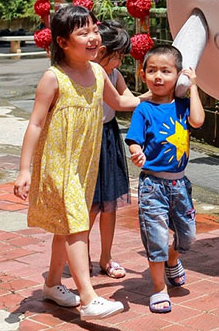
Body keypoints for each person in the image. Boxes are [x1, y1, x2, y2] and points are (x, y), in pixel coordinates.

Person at [13, 5, 140, 321]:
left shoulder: (98, 72)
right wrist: (24, 169)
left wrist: (159, 93)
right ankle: (88, 297)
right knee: (77, 225)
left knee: (66, 225)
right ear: (63, 42)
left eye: (94, 29)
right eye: (83, 32)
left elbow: (121, 102)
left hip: (85, 164)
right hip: (58, 164)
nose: (94, 37)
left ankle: (53, 284)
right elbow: (36, 124)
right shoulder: (53, 78)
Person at [125, 45, 204, 314]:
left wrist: (193, 87)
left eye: (166, 71)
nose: (158, 76)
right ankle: (159, 289)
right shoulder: (143, 109)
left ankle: (173, 261)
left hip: (180, 185)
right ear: (143, 74)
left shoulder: (182, 106)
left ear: (178, 75)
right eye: (152, 70)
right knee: (156, 238)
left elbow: (197, 121)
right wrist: (137, 153)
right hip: (152, 186)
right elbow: (134, 140)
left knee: (188, 237)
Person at [89, 21, 133, 278]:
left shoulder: (115, 75)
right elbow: (122, 102)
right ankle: (82, 255)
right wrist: (153, 97)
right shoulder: (88, 73)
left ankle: (106, 257)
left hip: (108, 136)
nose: (121, 61)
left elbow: (127, 99)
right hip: (88, 140)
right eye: (119, 55)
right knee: (90, 206)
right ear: (103, 51)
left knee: (110, 204)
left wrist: (156, 95)